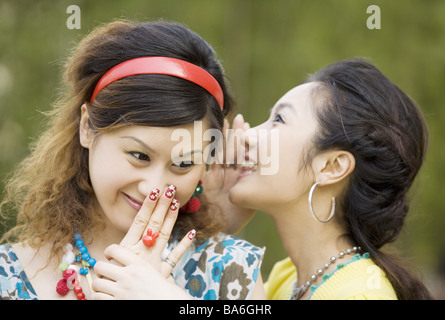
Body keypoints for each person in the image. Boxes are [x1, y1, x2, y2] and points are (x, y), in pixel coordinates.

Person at [0, 20, 265, 300]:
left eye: (184, 164)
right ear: (88, 128)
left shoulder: (231, 273)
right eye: (139, 156)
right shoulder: (9, 274)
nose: (154, 187)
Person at [228, 58, 433, 299]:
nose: (247, 135)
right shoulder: (288, 278)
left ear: (332, 166)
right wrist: (215, 223)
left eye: (279, 120)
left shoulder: (360, 296)